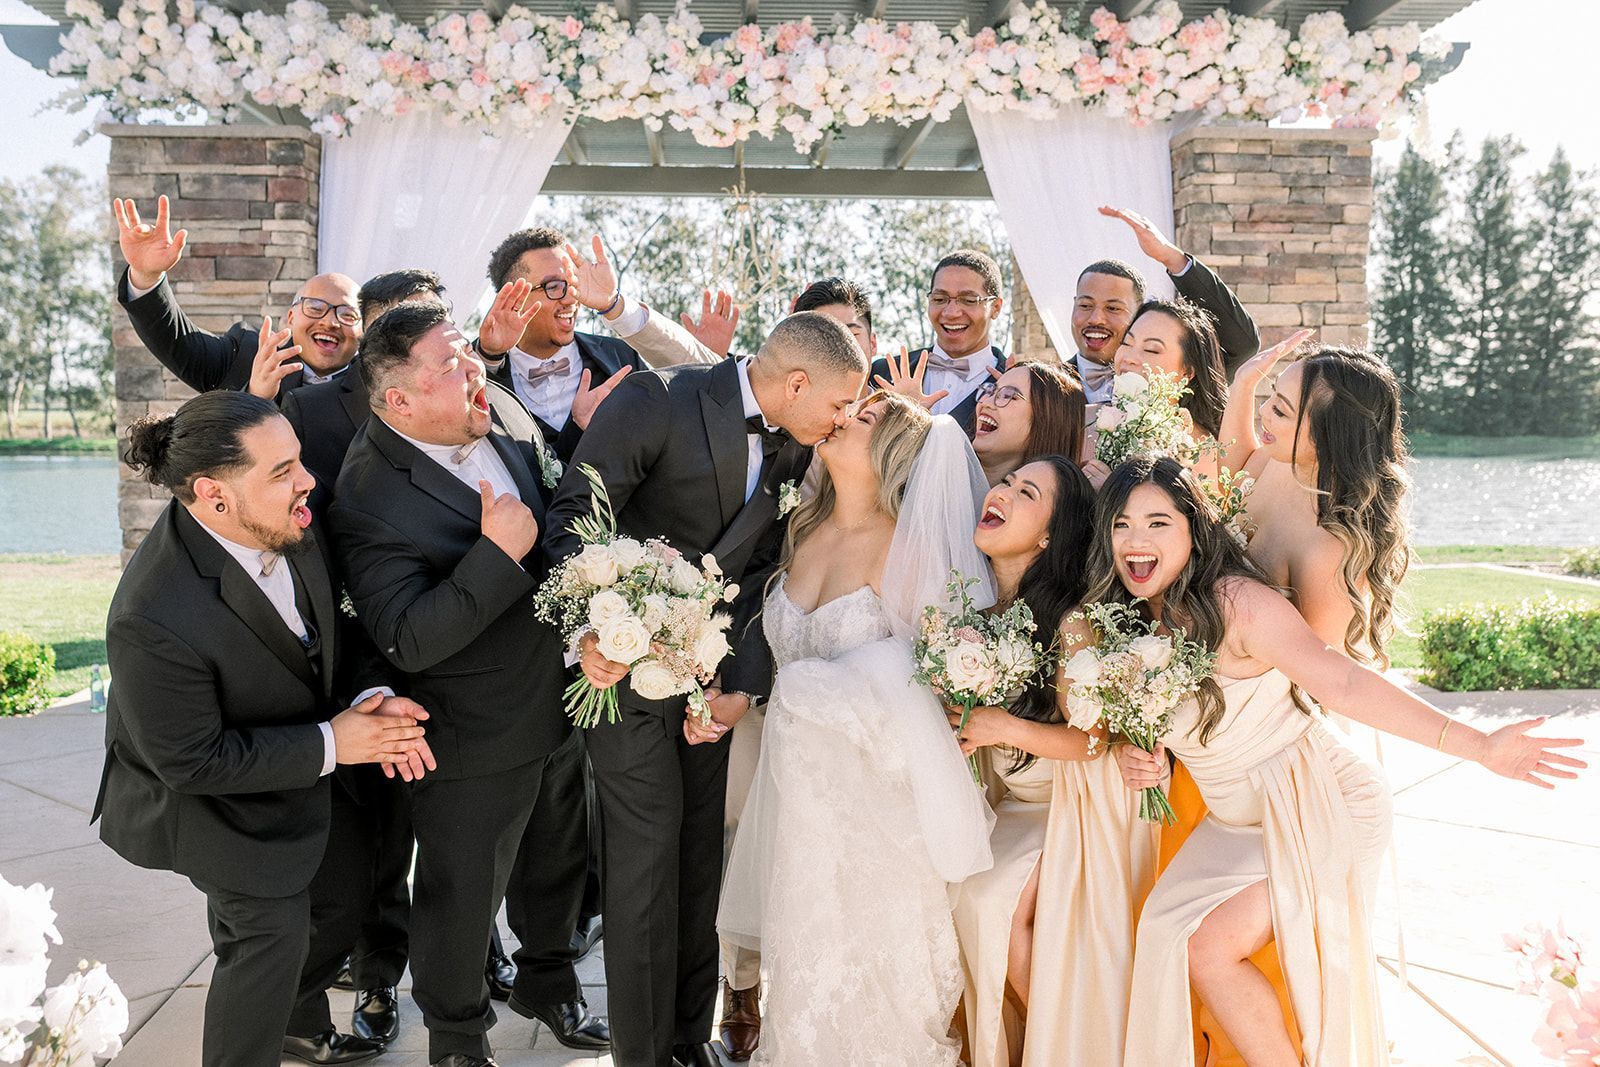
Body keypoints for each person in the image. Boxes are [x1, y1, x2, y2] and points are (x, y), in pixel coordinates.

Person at [1095, 455, 1584, 1066]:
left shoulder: (1236, 602)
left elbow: (1343, 685)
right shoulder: (1130, 621)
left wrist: (1479, 745)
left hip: (1318, 800)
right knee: (1163, 931)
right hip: (1235, 823)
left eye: (1158, 522)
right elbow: (1164, 723)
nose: (1136, 540)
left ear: (1194, 530)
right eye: (1121, 524)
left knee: (1210, 948)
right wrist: (1141, 754)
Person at [548, 312, 867, 1067]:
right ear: (796, 383)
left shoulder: (795, 449)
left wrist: (738, 685)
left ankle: (689, 1039)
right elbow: (573, 522)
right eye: (838, 403)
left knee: (697, 858)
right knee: (644, 863)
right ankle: (641, 1053)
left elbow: (760, 574)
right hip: (621, 675)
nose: (843, 419)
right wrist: (595, 633)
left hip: (706, 685)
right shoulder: (655, 400)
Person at [93, 389, 436, 1067]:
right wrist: (338, 742)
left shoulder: (290, 515)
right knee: (268, 939)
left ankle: (296, 1024)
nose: (306, 479)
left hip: (297, 759)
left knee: (339, 905)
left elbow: (337, 629)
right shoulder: (151, 614)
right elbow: (193, 761)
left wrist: (369, 696)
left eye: (298, 460)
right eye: (281, 470)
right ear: (213, 496)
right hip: (207, 797)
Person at [328, 302, 605, 1067]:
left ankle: (550, 981)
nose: (473, 370)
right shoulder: (367, 495)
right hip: (468, 724)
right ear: (400, 400)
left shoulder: (497, 415)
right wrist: (496, 555)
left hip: (558, 696)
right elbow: (405, 634)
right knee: (459, 894)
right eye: (449, 364)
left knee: (558, 860)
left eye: (467, 354)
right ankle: (455, 1038)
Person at [717, 395, 996, 1065]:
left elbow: (930, 684)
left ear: (890, 453)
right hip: (800, 801)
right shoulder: (801, 529)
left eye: (865, 418)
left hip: (877, 814)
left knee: (870, 983)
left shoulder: (908, 548)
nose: (842, 416)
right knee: (806, 967)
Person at [949, 456, 1158, 1066]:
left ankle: (1068, 1051)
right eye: (1007, 482)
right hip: (1015, 804)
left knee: (992, 903)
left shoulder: (1073, 623)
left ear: (1049, 535)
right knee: (956, 888)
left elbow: (1098, 740)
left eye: (1026, 491)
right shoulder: (980, 621)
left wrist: (1000, 725)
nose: (1003, 492)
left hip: (1075, 804)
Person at [113, 196, 364, 399]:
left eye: (347, 314)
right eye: (316, 307)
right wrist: (147, 276)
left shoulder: (376, 381)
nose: (330, 322)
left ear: (363, 330)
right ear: (290, 316)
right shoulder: (245, 355)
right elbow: (176, 340)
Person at [482, 228, 651, 465]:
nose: (571, 299)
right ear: (515, 297)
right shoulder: (475, 371)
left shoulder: (621, 357)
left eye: (572, 284)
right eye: (553, 287)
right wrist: (488, 358)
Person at [1070, 205, 1260, 406]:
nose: (1096, 318)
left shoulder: (1180, 382)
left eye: (1113, 308)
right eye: (1085, 306)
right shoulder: (1040, 386)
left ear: (1139, 316)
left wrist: (1171, 258)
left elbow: (1243, 344)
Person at [1082, 298, 1228, 487]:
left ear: (1188, 371)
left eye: (1151, 350)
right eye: (1126, 343)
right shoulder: (1086, 420)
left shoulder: (1199, 449)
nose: (1130, 358)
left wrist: (1110, 491)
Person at [868, 249, 1008, 432]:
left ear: (995, 308)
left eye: (968, 300)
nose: (951, 313)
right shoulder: (883, 372)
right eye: (940, 299)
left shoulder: (1013, 387)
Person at [961, 359, 1086, 487]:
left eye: (1008, 395)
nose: (986, 403)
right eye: (991, 391)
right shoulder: (943, 463)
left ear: (1046, 422)